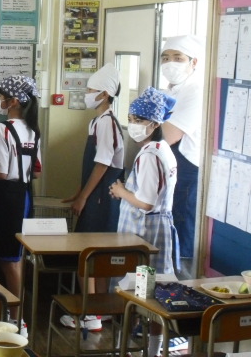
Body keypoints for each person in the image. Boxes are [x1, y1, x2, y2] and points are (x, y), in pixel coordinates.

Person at [109, 86, 179, 357]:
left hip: (144, 232)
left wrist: (121, 192)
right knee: (152, 294)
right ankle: (150, 350)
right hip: (156, 228)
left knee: (137, 293)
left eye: (140, 120)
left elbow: (147, 202)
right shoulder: (162, 148)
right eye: (131, 119)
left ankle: (126, 349)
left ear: (155, 123)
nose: (134, 125)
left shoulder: (150, 154)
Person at [61, 63, 124, 331]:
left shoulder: (107, 123)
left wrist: (83, 197)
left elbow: (102, 164)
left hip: (101, 199)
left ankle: (89, 315)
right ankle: (100, 310)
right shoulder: (97, 121)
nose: (86, 94)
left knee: (88, 255)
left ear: (104, 94)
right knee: (97, 255)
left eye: (91, 90)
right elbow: (92, 165)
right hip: (95, 195)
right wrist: (79, 191)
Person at [0, 75, 41, 335]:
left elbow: (0, 172)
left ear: (14, 101)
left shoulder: (2, 129)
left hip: (3, 197)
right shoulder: (33, 130)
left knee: (4, 260)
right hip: (24, 196)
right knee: (15, 258)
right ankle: (18, 318)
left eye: (0, 96)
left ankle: (13, 319)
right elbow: (37, 170)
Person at [160, 35, 204, 264]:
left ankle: (183, 276)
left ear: (193, 62)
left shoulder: (195, 90)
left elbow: (168, 135)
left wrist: (151, 127)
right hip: (169, 164)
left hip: (187, 168)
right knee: (168, 226)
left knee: (182, 225)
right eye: (165, 58)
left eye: (178, 58)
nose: (170, 63)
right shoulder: (169, 90)